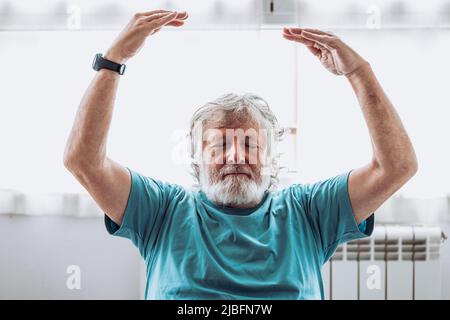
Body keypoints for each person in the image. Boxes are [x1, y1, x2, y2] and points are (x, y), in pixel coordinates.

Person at [63, 9, 417, 299]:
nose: (235, 155)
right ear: (196, 159)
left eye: (249, 144)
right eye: (218, 144)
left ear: (271, 158)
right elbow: (83, 161)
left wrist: (359, 72)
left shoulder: (309, 212)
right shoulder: (163, 210)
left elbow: (396, 166)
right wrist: (112, 61)